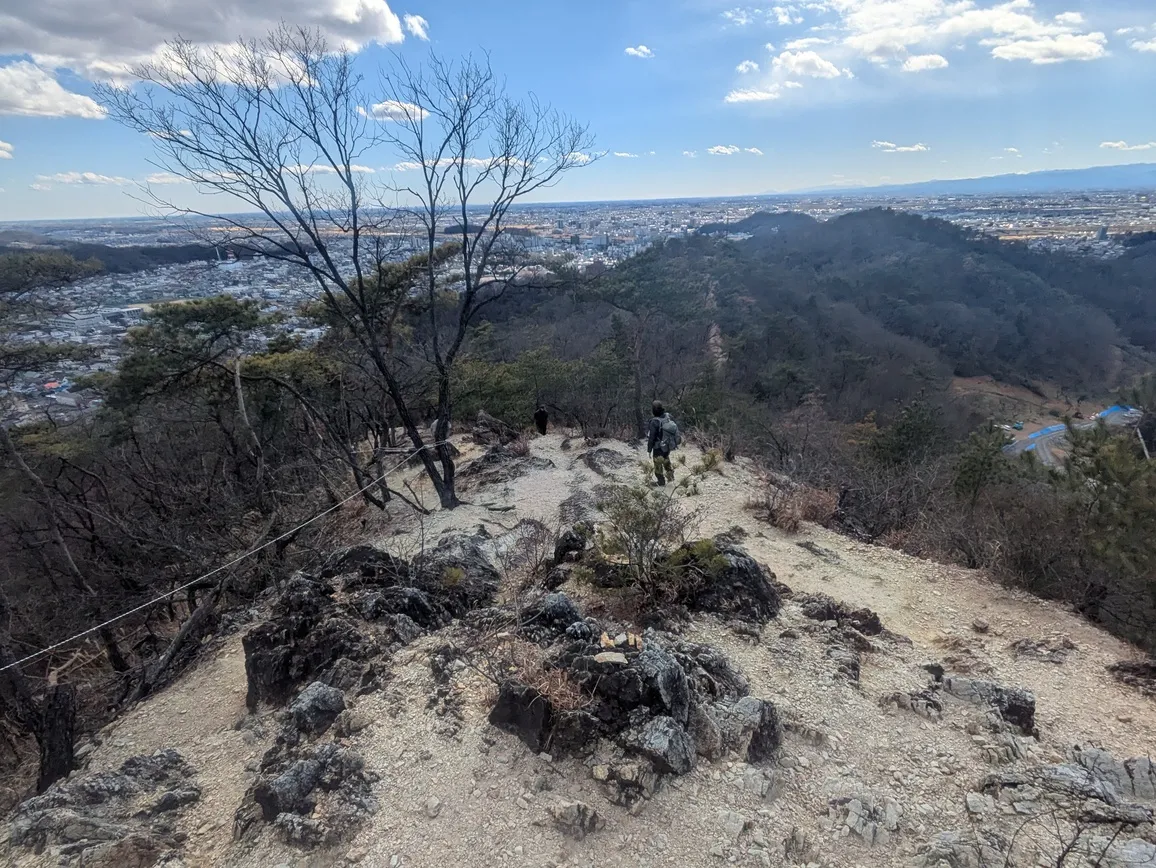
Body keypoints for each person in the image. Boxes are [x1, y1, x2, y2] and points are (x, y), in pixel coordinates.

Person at [646, 401, 680, 486]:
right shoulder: (669, 416)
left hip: (658, 446)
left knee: (657, 463)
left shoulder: (654, 421)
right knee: (666, 458)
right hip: (668, 444)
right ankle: (670, 475)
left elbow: (652, 437)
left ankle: (661, 481)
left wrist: (649, 450)